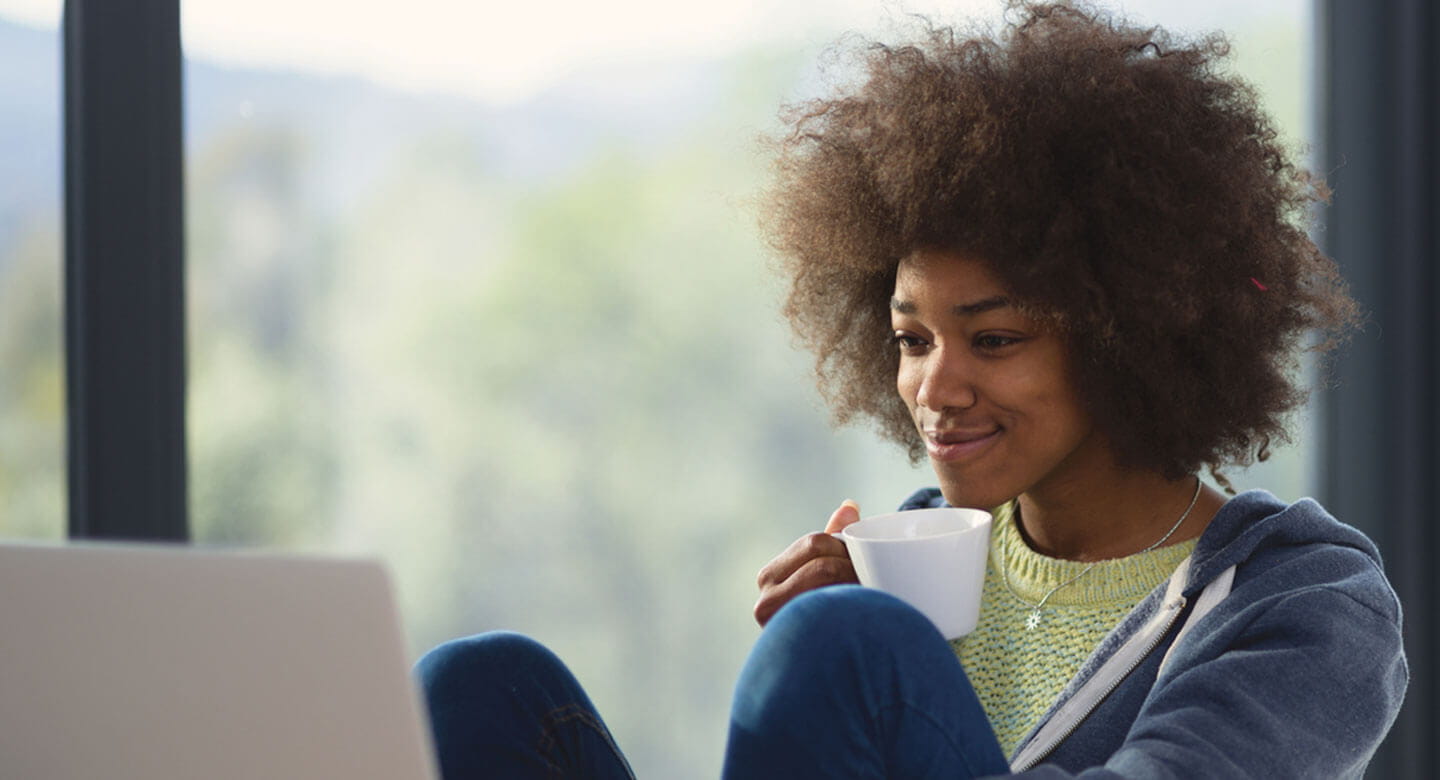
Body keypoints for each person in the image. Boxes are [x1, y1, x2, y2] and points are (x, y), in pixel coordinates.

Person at [415, 2, 1408, 777]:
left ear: (1134, 330)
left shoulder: (1303, 598)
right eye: (911, 338)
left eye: (996, 336)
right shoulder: (919, 557)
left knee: (845, 645)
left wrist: (859, 669)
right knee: (480, 686)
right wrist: (842, 683)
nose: (933, 386)